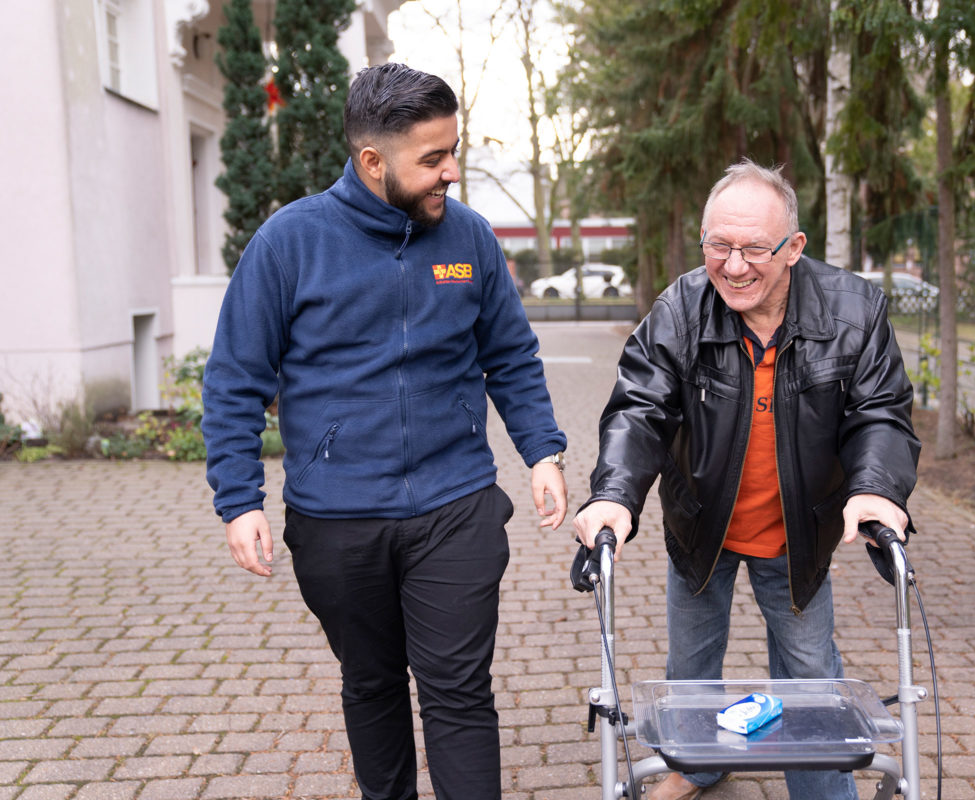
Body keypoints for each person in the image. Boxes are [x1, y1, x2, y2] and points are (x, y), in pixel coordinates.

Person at [201, 63, 568, 800]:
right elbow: (234, 378)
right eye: (432, 159)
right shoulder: (288, 244)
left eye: (453, 150)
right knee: (371, 684)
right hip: (337, 519)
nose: (451, 171)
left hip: (456, 503)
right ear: (373, 162)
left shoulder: (469, 239)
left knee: (459, 690)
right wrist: (239, 500)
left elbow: (511, 355)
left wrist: (542, 450)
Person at [572, 160, 920, 800]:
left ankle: (821, 792)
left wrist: (876, 486)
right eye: (718, 246)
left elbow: (881, 413)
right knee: (690, 669)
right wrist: (614, 495)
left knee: (811, 675)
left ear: (793, 248)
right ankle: (697, 767)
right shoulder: (680, 308)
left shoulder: (855, 309)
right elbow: (638, 408)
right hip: (701, 521)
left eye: (754, 248)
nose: (733, 266)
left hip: (798, 530)